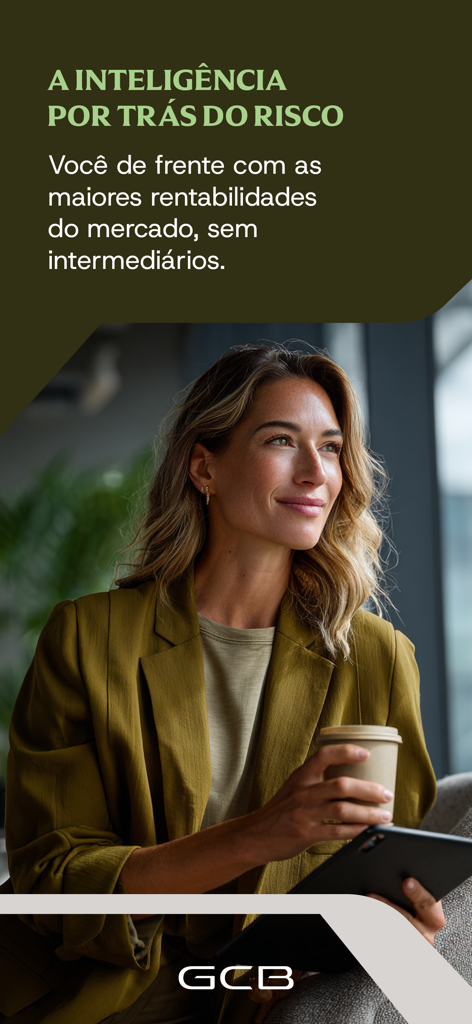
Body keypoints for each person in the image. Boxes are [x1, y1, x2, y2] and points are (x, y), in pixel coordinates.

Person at [1, 345, 441, 1024]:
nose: (315, 472)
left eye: (330, 447)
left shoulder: (377, 659)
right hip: (98, 1003)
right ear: (204, 466)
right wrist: (260, 834)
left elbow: (390, 875)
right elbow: (52, 887)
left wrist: (394, 925)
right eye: (280, 441)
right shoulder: (89, 640)